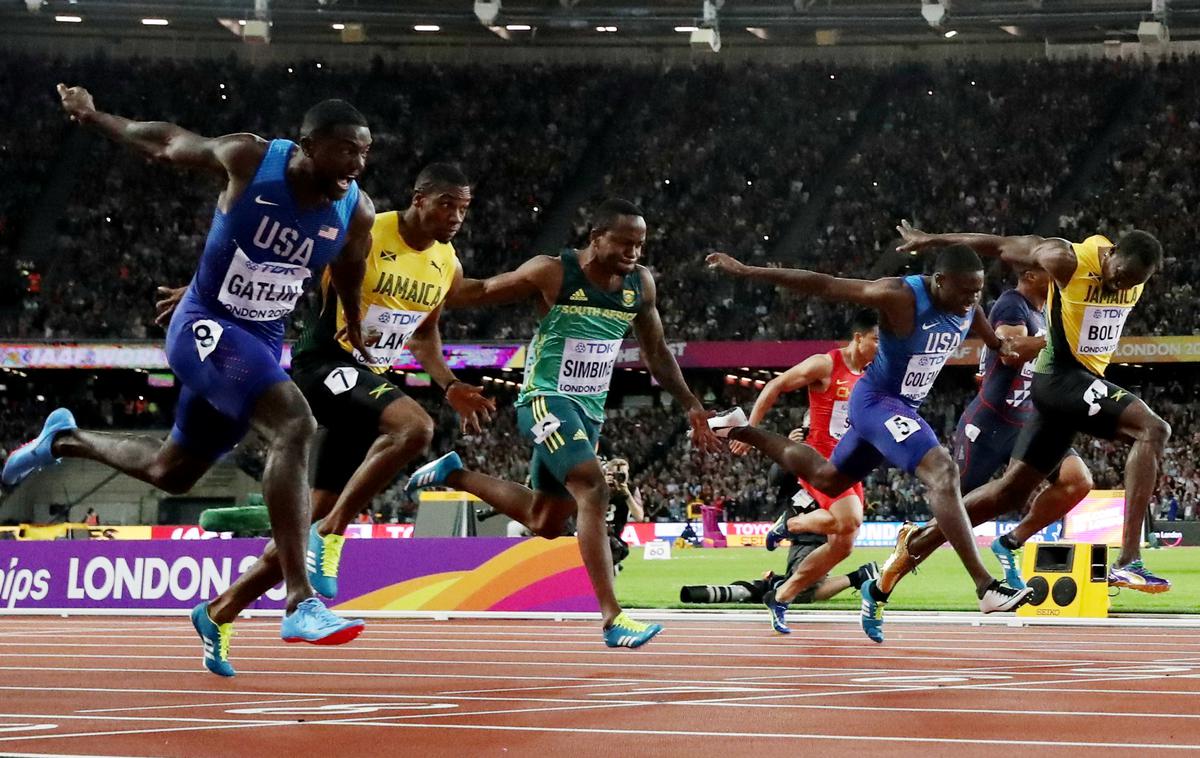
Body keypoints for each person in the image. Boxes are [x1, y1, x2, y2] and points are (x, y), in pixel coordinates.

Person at [3, 85, 375, 667]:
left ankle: (64, 439)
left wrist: (354, 324)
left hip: (257, 343)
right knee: (295, 425)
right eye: (346, 151)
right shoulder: (252, 160)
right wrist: (95, 114)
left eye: (364, 154)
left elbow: (351, 270)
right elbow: (166, 143)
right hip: (202, 328)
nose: (356, 166)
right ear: (308, 146)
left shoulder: (355, 209)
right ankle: (301, 600)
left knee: (170, 471)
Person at [168, 164, 495, 676]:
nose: (456, 216)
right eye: (447, 203)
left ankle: (218, 611)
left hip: (366, 384)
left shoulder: (445, 262)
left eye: (464, 207)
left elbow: (425, 333)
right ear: (419, 198)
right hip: (326, 363)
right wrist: (199, 292)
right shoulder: (368, 228)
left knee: (303, 526)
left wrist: (449, 384)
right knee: (415, 428)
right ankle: (336, 534)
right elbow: (282, 258)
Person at [405, 198, 722, 648]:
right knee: (594, 486)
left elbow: (656, 351)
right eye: (626, 242)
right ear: (596, 238)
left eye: (642, 244)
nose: (635, 252)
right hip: (544, 399)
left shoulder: (640, 285)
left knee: (546, 520)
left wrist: (690, 403)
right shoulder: (552, 272)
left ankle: (454, 472)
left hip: (588, 411)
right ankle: (613, 618)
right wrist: (434, 265)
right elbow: (474, 292)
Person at [705, 246, 1036, 643]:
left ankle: (741, 429)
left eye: (978, 291)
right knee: (942, 471)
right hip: (879, 402)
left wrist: (996, 345)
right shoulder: (899, 296)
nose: (972, 299)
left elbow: (974, 313)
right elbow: (823, 284)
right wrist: (747, 271)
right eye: (965, 291)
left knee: (827, 480)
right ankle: (985, 586)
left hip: (892, 407)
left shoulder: (966, 299)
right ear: (939, 281)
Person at [878, 222, 1171, 595]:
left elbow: (1124, 280)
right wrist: (934, 240)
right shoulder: (1066, 258)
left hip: (1072, 391)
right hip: (1060, 379)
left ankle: (912, 547)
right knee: (1154, 429)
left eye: (1134, 283)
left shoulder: (1134, 273)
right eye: (1120, 276)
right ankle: (1129, 561)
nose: (1122, 286)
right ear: (1110, 255)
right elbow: (1000, 246)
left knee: (1010, 493)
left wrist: (1127, 279)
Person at [727, 309, 880, 634]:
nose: (880, 348)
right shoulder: (825, 364)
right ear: (859, 337)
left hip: (851, 463)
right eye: (876, 340)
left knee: (844, 544)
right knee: (850, 519)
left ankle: (782, 595)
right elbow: (776, 385)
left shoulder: (870, 374)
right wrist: (749, 431)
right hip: (819, 463)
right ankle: (792, 524)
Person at [950, 266, 1092, 588]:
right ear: (1029, 274)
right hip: (990, 423)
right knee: (954, 510)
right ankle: (898, 564)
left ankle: (1010, 543)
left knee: (1076, 480)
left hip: (1029, 422)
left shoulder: (1047, 314)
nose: (1061, 278)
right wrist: (1056, 340)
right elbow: (1011, 353)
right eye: (1051, 272)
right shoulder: (1013, 303)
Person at [680, 456, 879, 608]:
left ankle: (854, 575)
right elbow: (775, 478)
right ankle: (857, 576)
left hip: (814, 531)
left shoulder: (832, 450)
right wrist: (789, 452)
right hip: (815, 528)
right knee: (800, 584)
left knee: (799, 591)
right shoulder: (805, 450)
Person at [602, 456, 643, 573]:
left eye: (622, 474)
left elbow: (639, 516)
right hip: (596, 534)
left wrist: (627, 494)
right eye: (614, 474)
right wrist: (604, 488)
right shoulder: (598, 486)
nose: (618, 478)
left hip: (615, 537)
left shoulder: (631, 489)